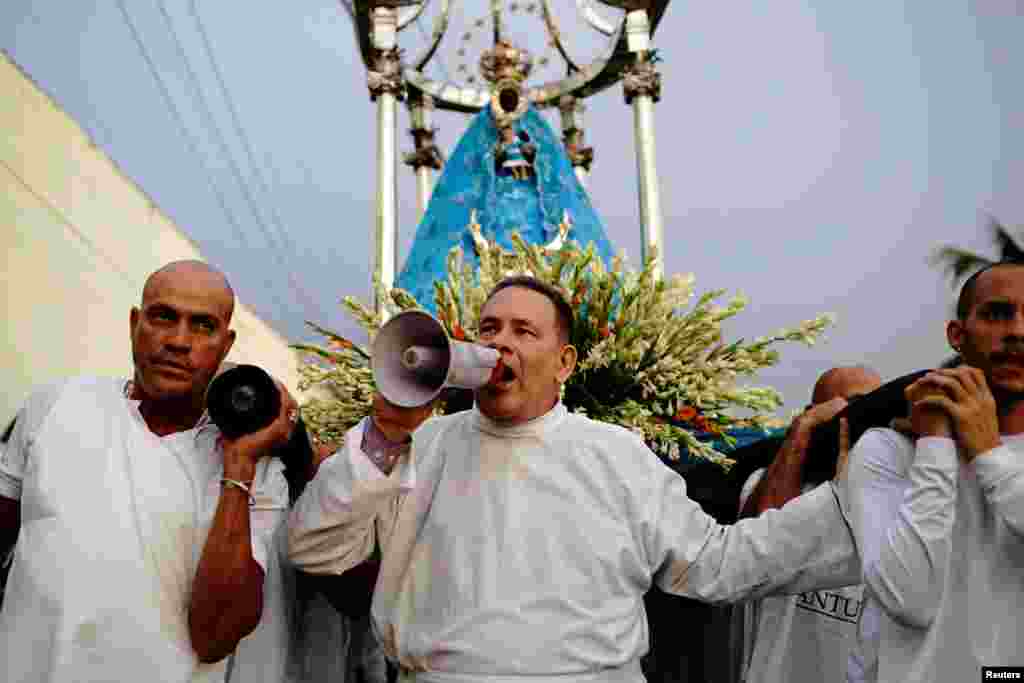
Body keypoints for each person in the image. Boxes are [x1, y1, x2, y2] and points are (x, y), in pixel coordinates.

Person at [289, 274, 862, 682]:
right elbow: (314, 546)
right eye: (489, 328)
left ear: (564, 363)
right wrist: (386, 432)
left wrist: (854, 509)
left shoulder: (614, 453)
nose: (499, 343)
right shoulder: (422, 446)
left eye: (523, 331)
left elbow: (714, 564)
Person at [0, 260, 296, 683]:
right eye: (163, 317)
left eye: (202, 326)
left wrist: (239, 466)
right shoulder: (55, 406)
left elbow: (216, 636)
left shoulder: (257, 471)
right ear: (135, 323)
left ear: (226, 345)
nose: (178, 341)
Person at [846, 261, 1024, 683]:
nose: (1017, 330)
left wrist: (987, 452)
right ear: (957, 336)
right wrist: (936, 444)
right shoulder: (887, 450)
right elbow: (909, 598)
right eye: (997, 314)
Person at [732, 366, 881, 683]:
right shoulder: (772, 482)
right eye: (855, 406)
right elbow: (762, 552)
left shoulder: (894, 494)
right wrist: (804, 428)